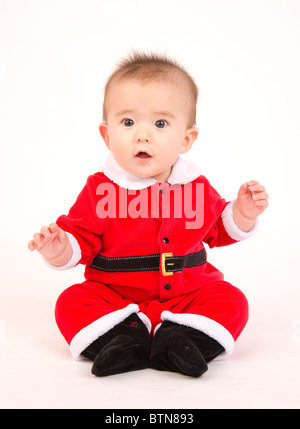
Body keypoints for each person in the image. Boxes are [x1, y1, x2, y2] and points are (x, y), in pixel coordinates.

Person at [28, 52, 269, 377]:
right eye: (128, 122)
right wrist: (59, 248)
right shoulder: (101, 189)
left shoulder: (195, 187)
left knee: (232, 300)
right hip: (114, 296)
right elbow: (80, 239)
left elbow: (219, 230)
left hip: (188, 293)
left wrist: (243, 212)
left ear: (186, 138)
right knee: (71, 302)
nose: (142, 135)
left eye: (160, 123)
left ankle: (183, 339)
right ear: (107, 135)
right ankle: (123, 339)